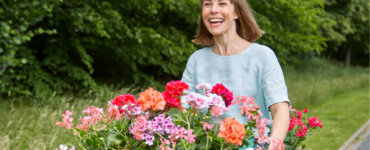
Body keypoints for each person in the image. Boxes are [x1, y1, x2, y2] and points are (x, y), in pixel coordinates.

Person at [180, 0, 290, 149]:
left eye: (222, 3)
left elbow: (280, 109)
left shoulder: (262, 56)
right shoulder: (196, 60)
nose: (213, 10)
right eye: (207, 4)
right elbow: (184, 110)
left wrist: (273, 146)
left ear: (236, 12)